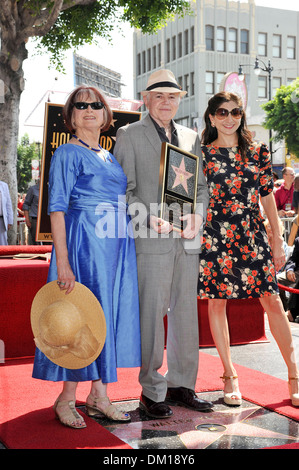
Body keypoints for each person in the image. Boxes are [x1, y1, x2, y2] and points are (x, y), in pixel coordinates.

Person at [32, 85, 141, 428]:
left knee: (103, 317)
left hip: (114, 247)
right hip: (84, 246)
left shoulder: (109, 156)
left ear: (106, 115)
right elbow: (58, 209)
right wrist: (62, 261)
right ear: (70, 117)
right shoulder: (67, 153)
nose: (89, 110)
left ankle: (99, 395)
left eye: (96, 105)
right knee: (77, 316)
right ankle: (66, 398)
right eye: (81, 106)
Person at [114, 69, 213, 419]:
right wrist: (144, 218)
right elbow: (120, 192)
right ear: (146, 99)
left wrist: (199, 216)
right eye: (159, 96)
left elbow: (200, 187)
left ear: (180, 100)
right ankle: (151, 391)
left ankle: (183, 385)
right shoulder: (128, 135)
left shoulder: (190, 136)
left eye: (172, 96)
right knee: (152, 316)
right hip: (151, 240)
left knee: (186, 315)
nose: (166, 102)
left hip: (187, 241)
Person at [197, 91, 299, 407]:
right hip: (214, 235)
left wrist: (278, 240)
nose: (230, 118)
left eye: (236, 112)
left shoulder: (257, 152)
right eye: (222, 112)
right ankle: (229, 376)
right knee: (217, 303)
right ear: (212, 117)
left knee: (271, 299)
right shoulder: (201, 155)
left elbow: (267, 196)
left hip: (252, 233)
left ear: (241, 115)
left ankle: (294, 373)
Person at [277, 236, 299, 322]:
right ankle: (284, 310)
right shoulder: (298, 240)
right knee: (277, 280)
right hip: (297, 272)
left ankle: (292, 312)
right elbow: (293, 259)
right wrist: (290, 270)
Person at [0, 180, 13, 245]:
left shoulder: (4, 185)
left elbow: (8, 204)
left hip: (2, 220)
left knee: (3, 244)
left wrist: (10, 221)